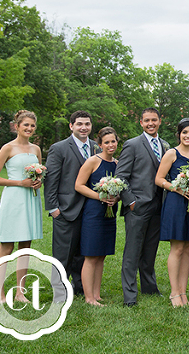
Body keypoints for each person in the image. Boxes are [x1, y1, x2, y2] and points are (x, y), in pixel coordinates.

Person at [0, 110, 43, 304]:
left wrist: (38, 182)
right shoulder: (7, 148)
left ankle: (21, 293)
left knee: (26, 247)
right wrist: (20, 183)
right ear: (17, 126)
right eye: (26, 125)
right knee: (7, 247)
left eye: (32, 125)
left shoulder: (36, 149)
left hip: (31, 199)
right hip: (14, 199)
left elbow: (38, 174)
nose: (29, 128)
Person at [117, 107, 170, 307]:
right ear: (141, 122)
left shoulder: (165, 146)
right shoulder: (132, 144)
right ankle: (129, 295)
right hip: (137, 206)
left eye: (154, 120)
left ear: (159, 121)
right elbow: (121, 176)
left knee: (150, 250)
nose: (150, 123)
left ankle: (149, 288)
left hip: (158, 206)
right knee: (132, 251)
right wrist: (131, 201)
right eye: (146, 120)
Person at [45, 110, 99, 299]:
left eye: (87, 124)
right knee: (63, 254)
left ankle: (80, 287)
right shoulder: (59, 148)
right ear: (71, 126)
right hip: (65, 209)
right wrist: (53, 209)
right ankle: (59, 293)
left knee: (83, 253)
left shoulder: (96, 148)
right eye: (79, 124)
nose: (84, 127)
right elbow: (51, 180)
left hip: (90, 210)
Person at [156, 118, 189, 307]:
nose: (188, 136)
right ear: (179, 134)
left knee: (188, 249)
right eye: (184, 132)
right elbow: (159, 179)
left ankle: (184, 292)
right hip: (176, 203)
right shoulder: (171, 153)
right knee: (177, 248)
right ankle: (174, 293)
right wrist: (176, 188)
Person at [74, 127, 120, 306]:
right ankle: (89, 298)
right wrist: (99, 196)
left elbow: (120, 187)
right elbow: (79, 185)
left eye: (113, 141)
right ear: (99, 144)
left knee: (102, 254)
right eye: (106, 142)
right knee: (91, 255)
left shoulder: (117, 163)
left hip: (110, 213)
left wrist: (115, 198)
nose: (110, 145)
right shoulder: (92, 161)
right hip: (93, 212)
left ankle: (97, 293)